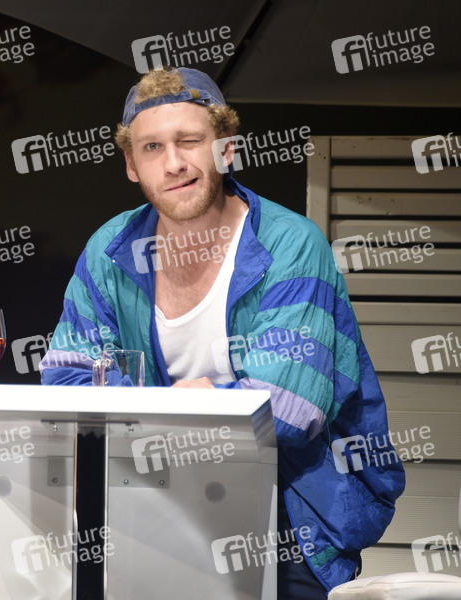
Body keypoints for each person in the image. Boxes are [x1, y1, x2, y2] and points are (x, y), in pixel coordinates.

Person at [39, 67, 405, 598]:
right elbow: (65, 379)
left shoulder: (291, 244)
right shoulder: (110, 250)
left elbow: (290, 409)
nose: (173, 163)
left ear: (226, 149)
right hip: (154, 497)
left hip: (291, 511)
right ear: (131, 165)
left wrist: (156, 407)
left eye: (189, 141)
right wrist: (188, 403)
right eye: (151, 147)